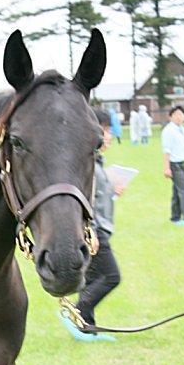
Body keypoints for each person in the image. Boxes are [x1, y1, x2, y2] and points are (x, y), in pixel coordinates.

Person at [59, 110, 124, 343]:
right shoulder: (87, 165)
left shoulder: (97, 163)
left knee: (94, 278)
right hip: (94, 232)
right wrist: (92, 231)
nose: (109, 135)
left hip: (101, 228)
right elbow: (84, 203)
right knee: (111, 277)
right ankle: (76, 312)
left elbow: (97, 198)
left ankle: (87, 326)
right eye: (105, 130)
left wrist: (113, 192)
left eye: (109, 130)